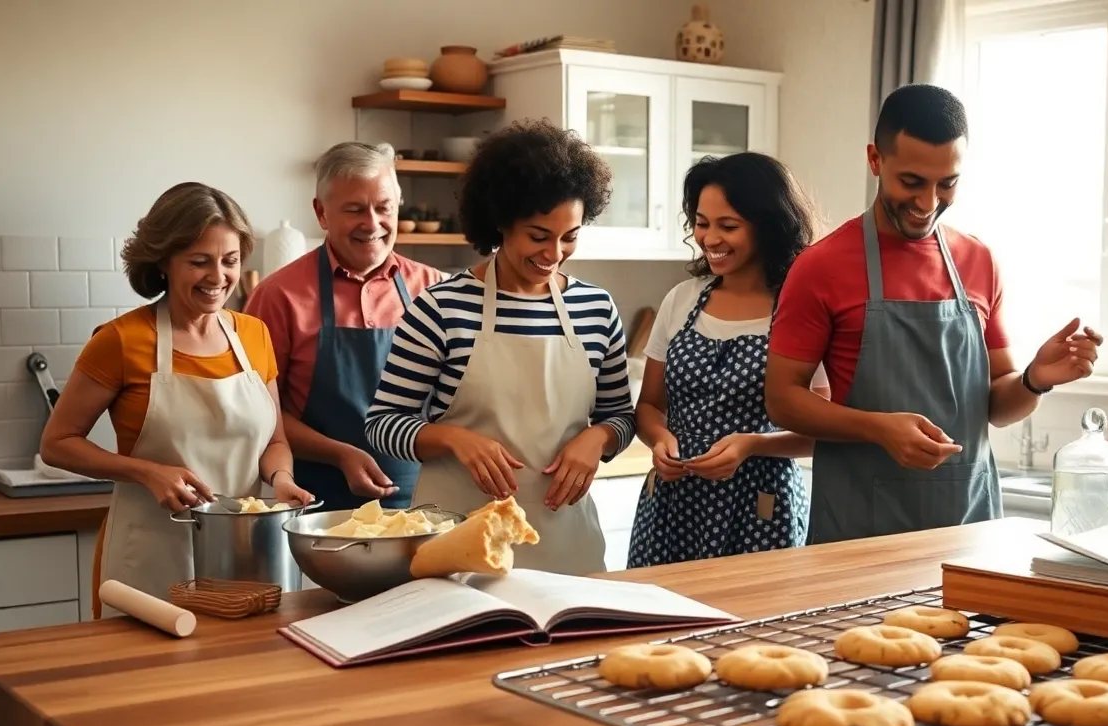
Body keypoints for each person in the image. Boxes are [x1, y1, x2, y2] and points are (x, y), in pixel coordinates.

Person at [764, 83, 1103, 544]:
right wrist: (877, 427)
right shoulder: (820, 267)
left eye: (948, 183)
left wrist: (1034, 379)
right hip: (858, 533)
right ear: (875, 160)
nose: (928, 203)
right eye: (912, 182)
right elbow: (782, 399)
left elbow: (998, 408)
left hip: (968, 531)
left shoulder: (978, 261)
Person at [364, 119, 635, 576]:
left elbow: (621, 417)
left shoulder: (595, 307)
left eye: (569, 236)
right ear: (500, 223)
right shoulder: (442, 307)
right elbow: (383, 424)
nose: (554, 253)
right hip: (459, 546)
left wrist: (598, 438)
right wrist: (454, 438)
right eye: (538, 235)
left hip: (567, 544)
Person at [39, 182, 314, 612]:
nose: (218, 277)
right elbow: (56, 444)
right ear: (164, 261)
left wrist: (281, 480)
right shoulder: (121, 341)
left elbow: (274, 441)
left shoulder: (254, 335)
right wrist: (148, 472)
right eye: (199, 262)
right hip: (152, 561)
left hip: (245, 561)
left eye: (230, 261)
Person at [626, 153, 829, 567]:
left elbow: (822, 430)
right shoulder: (681, 300)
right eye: (702, 223)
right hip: (672, 505)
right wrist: (660, 441)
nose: (710, 238)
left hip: (762, 508)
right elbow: (649, 405)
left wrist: (753, 445)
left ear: (767, 225)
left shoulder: (799, 308)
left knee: (754, 628)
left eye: (728, 226)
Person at [244, 142, 446, 512]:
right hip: (314, 508)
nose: (372, 224)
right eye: (354, 210)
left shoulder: (434, 289)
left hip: (427, 505)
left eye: (384, 208)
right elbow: (260, 414)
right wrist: (340, 455)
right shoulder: (278, 296)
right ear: (321, 213)